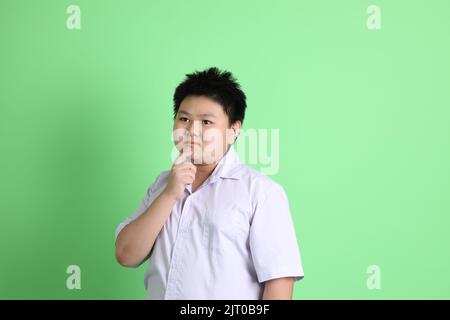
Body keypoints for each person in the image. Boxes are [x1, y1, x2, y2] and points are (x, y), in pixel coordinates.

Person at [115, 67, 304, 299]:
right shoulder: (161, 185)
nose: (192, 131)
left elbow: (279, 282)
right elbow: (126, 255)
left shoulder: (260, 192)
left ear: (233, 130)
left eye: (206, 122)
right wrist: (168, 195)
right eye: (184, 119)